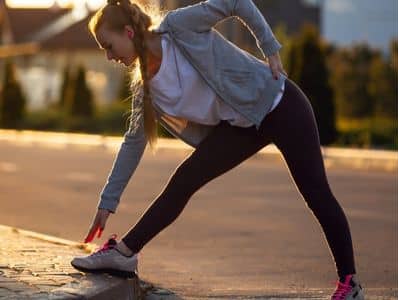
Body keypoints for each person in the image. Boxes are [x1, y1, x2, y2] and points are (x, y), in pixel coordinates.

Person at [70, 1, 364, 299]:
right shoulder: (145, 89)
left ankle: (349, 284)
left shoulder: (178, 28)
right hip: (242, 126)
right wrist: (108, 201)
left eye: (109, 46)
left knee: (316, 194)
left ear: (129, 32)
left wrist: (270, 48)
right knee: (186, 177)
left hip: (279, 104)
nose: (109, 57)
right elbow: (133, 144)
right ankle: (125, 252)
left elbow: (235, 2)